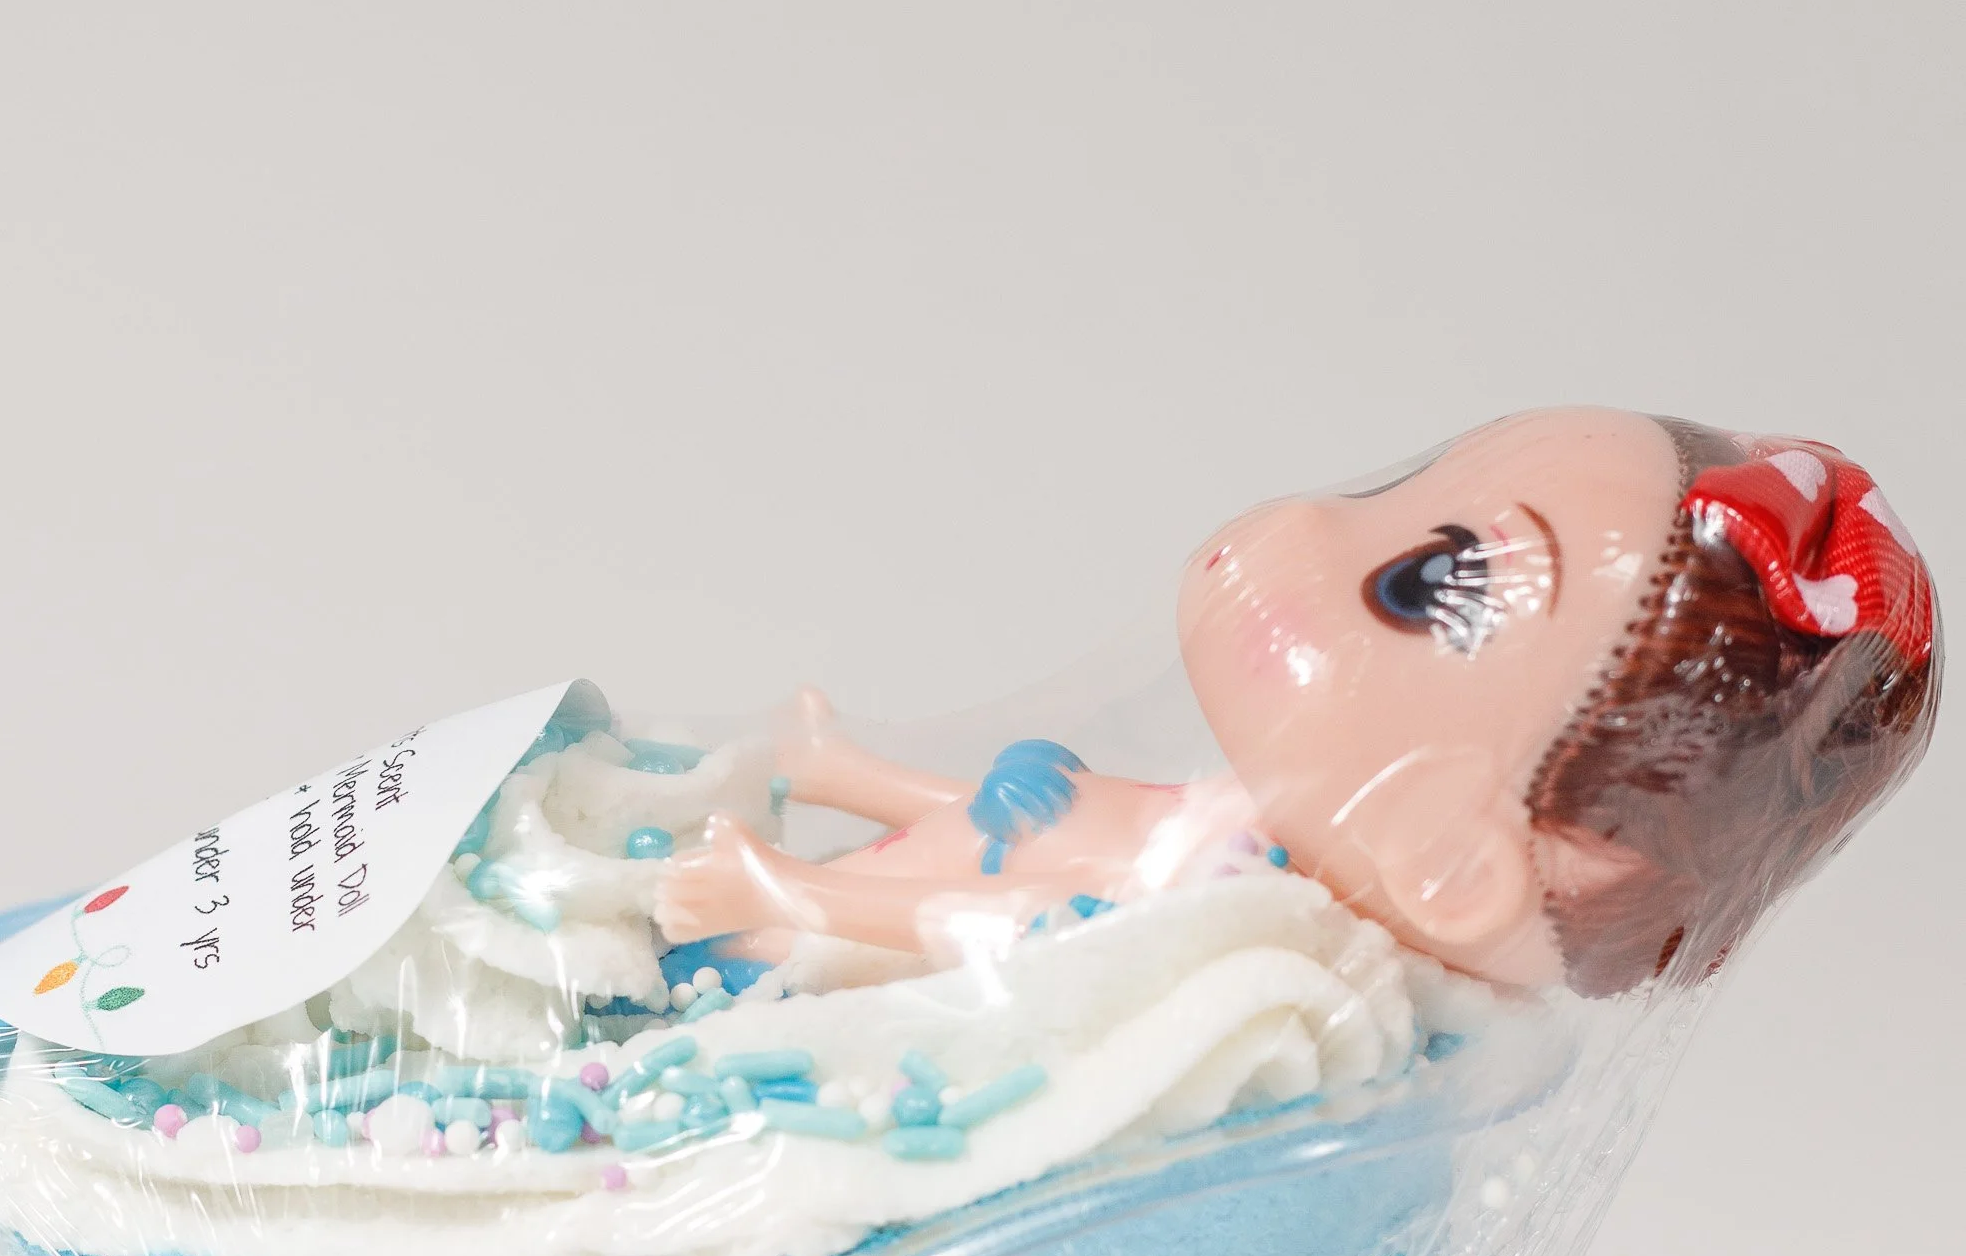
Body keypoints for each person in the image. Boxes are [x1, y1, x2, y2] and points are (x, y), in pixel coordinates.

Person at [657, 407, 1938, 993]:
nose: (1303, 523)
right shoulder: (1221, 835)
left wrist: (786, 893)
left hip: (773, 957)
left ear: (1452, 866)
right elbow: (1014, 831)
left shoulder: (1232, 950)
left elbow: (996, 922)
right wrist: (844, 769)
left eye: (1424, 580)